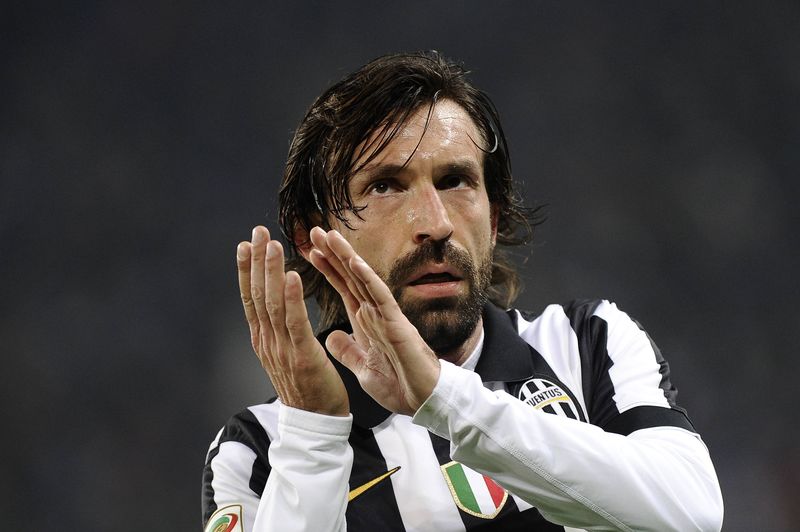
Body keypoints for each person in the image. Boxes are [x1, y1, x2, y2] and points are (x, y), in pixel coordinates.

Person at [201, 51, 723, 532]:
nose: (435, 224)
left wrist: (445, 398)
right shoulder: (257, 451)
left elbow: (694, 511)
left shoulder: (588, 346)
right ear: (313, 238)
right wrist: (313, 439)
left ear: (493, 218)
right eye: (385, 186)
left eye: (455, 180)